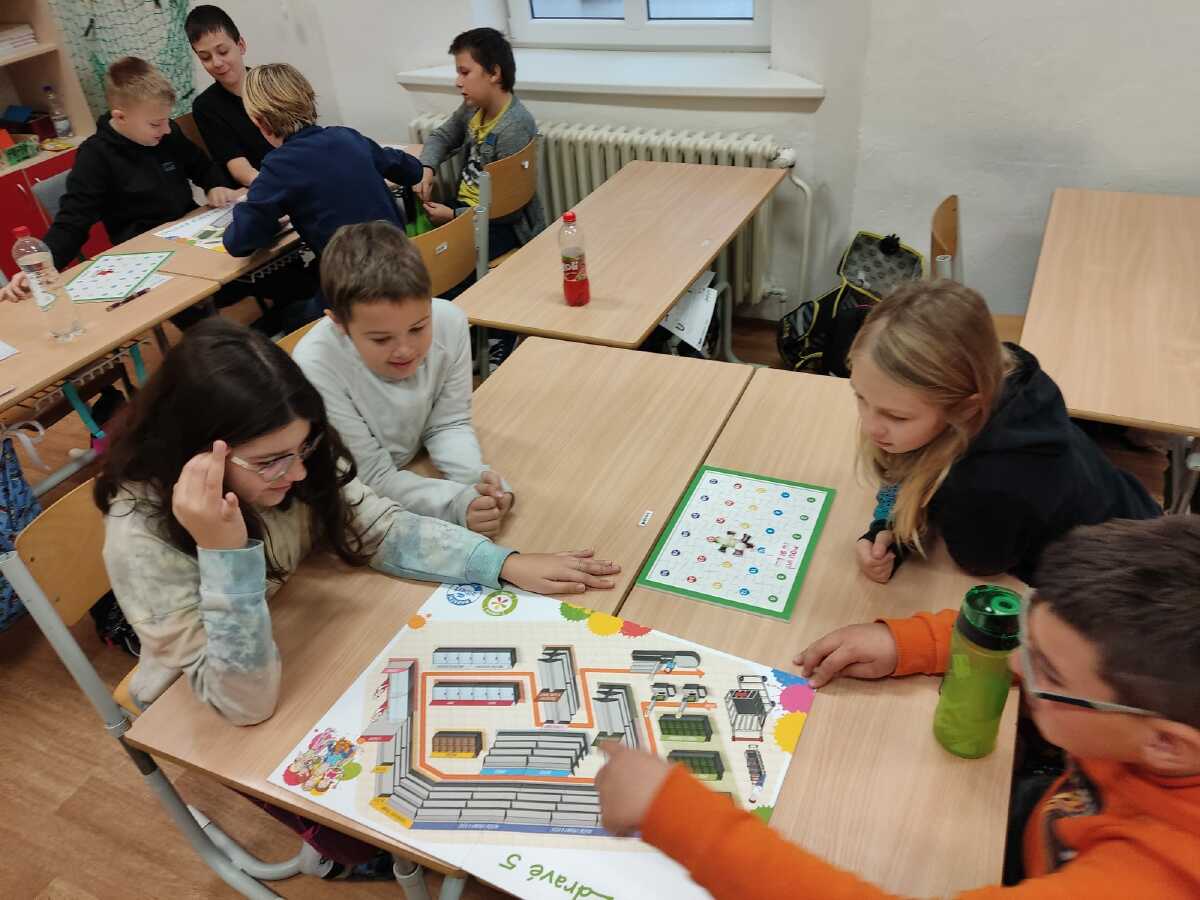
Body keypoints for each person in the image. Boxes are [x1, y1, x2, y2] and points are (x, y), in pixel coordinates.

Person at [597, 516, 1200, 898]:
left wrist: (673, 813)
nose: (1015, 663)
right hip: (1058, 815)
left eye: (1048, 672)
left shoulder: (1156, 879)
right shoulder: (1149, 715)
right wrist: (911, 642)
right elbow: (1045, 636)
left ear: (1167, 744)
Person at [847, 280, 1159, 585]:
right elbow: (907, 473)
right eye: (860, 397)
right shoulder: (999, 372)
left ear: (966, 407)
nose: (871, 426)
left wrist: (909, 528)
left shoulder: (990, 485)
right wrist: (888, 525)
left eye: (897, 416)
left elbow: (979, 564)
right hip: (1135, 519)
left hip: (1126, 585)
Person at [294, 221, 512, 534]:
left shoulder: (450, 322)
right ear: (338, 323)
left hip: (409, 472)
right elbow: (372, 477)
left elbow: (447, 423)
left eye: (418, 327)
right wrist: (455, 502)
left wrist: (478, 482)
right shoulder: (315, 366)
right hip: (354, 499)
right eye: (381, 339)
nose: (405, 350)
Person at [0, 57, 238, 304]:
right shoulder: (95, 156)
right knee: (199, 300)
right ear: (121, 117)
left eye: (167, 120)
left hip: (190, 235)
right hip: (145, 256)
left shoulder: (166, 134)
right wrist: (41, 267)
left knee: (242, 265)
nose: (166, 129)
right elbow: (72, 222)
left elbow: (201, 165)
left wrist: (215, 185)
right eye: (155, 124)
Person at [221, 63, 423, 312]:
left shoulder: (278, 167)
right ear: (309, 99)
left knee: (287, 314)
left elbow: (238, 241)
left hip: (355, 297)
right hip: (406, 275)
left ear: (259, 121)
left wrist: (269, 220)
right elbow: (413, 171)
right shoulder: (347, 137)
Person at [415, 27, 545, 259]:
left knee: (445, 265)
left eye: (465, 73)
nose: (458, 82)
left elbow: (508, 210)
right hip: (466, 208)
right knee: (419, 250)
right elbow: (442, 137)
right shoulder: (473, 108)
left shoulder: (513, 127)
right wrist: (427, 167)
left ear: (494, 73)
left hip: (501, 225)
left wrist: (454, 216)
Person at [184, 4, 275, 187]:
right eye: (205, 57)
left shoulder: (273, 82)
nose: (216, 63)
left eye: (223, 51)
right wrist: (276, 188)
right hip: (260, 189)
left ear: (241, 45)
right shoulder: (206, 107)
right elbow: (239, 169)